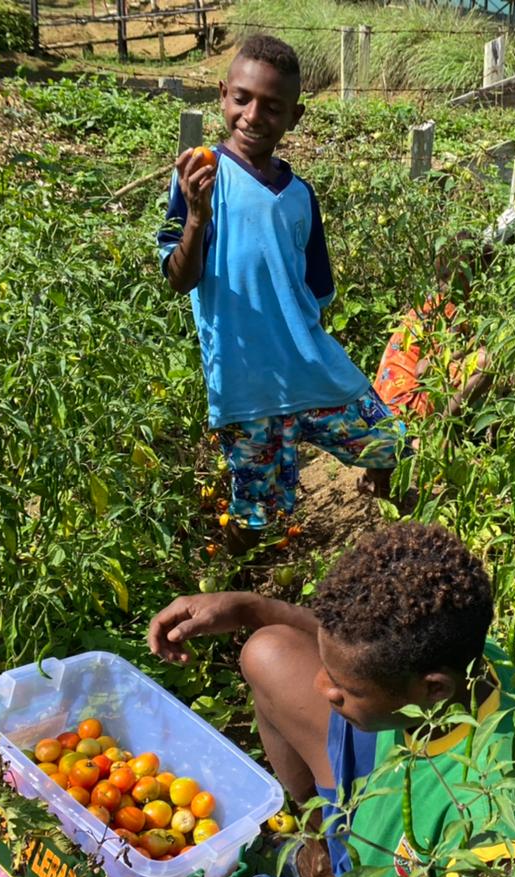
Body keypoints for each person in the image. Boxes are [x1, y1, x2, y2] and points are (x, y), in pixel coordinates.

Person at [88, 523, 515, 877]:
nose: (323, 688)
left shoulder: (495, 816)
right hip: (379, 824)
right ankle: (318, 846)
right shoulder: (453, 649)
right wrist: (250, 608)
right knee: (268, 651)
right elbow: (362, 645)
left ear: (431, 688)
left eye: (347, 689)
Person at [157, 35, 401, 552]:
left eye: (272, 106)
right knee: (256, 514)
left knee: (387, 442)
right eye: (242, 98)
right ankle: (243, 596)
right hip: (244, 386)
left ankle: (390, 526)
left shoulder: (300, 195)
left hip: (309, 369)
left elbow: (317, 289)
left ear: (295, 115)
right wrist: (197, 217)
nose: (252, 115)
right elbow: (180, 278)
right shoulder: (200, 179)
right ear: (223, 95)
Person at [373, 232, 494, 421]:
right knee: (488, 360)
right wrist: (469, 346)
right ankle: (438, 429)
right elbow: (424, 369)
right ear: (464, 275)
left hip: (383, 406)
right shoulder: (448, 310)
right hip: (406, 407)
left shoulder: (429, 302)